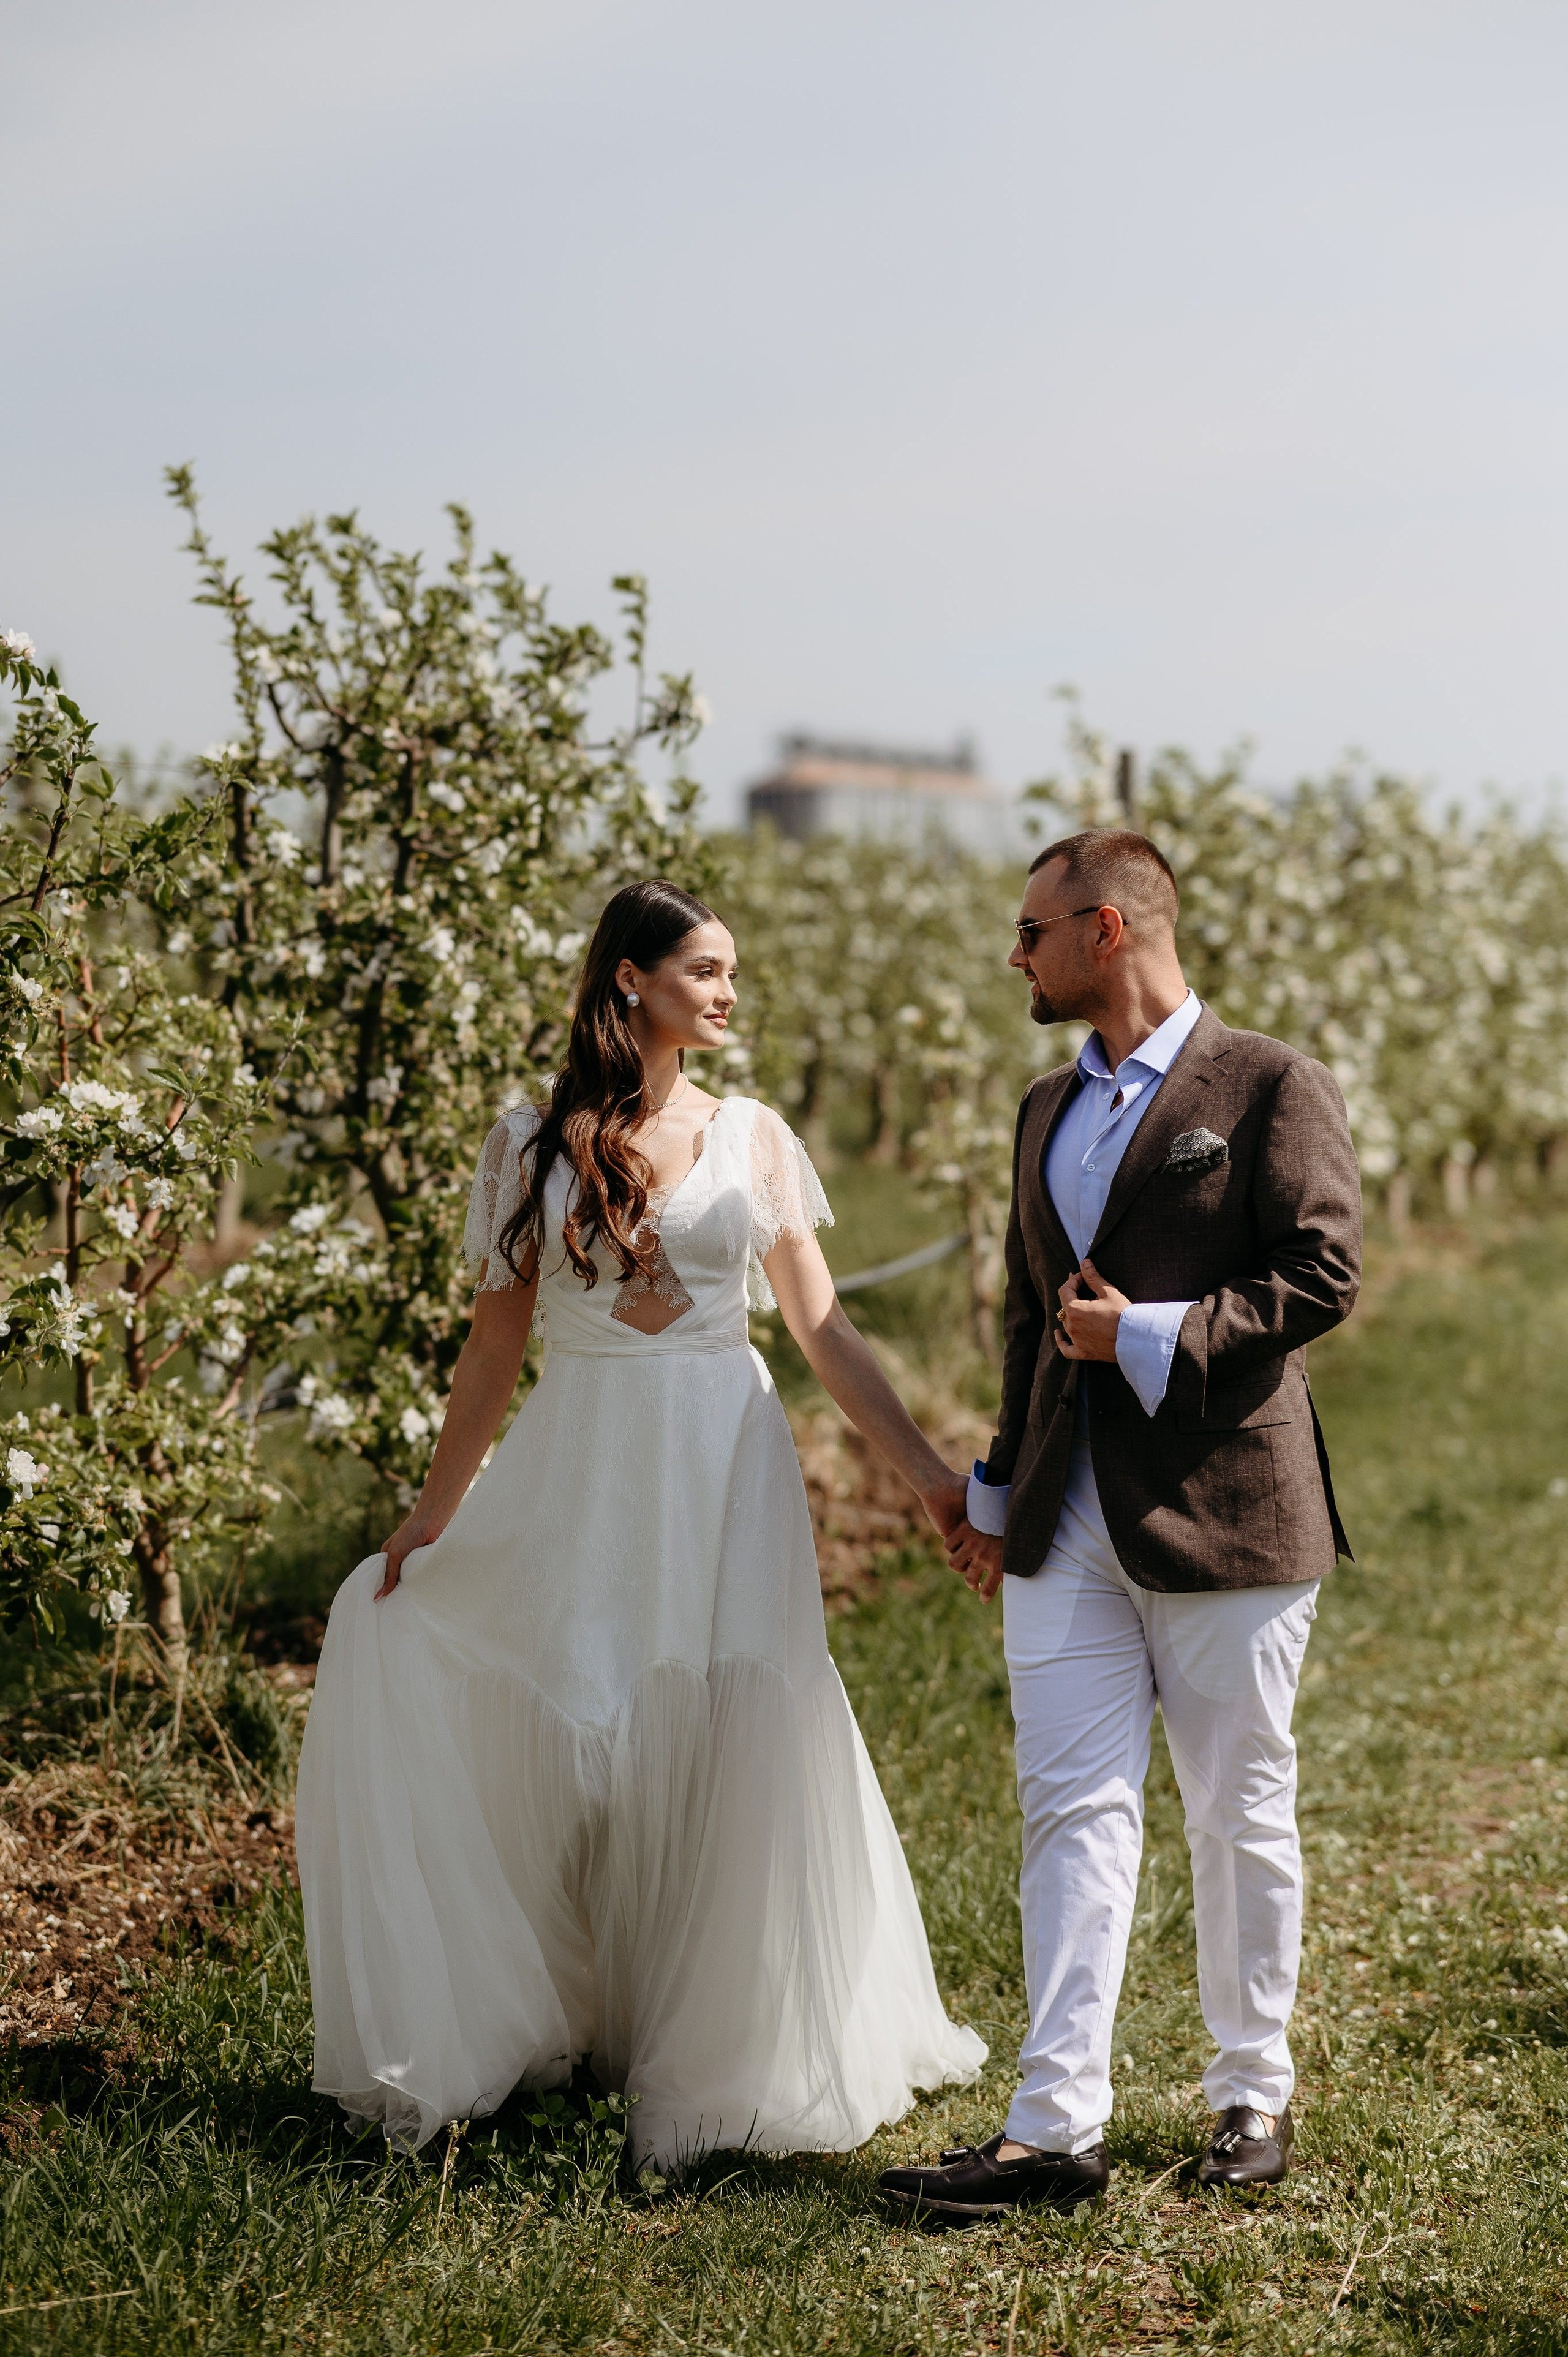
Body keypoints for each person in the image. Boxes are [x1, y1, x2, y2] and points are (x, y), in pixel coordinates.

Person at [296, 878, 985, 2174]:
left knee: (737, 1719)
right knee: (581, 1716)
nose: (727, 993)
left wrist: (928, 1477)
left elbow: (824, 1334)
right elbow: (491, 1352)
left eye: (731, 973)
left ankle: (729, 2055)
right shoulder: (530, 1143)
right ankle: (561, 2011)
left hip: (724, 1463)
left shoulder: (756, 1138)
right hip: (583, 1467)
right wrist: (432, 1515)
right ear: (630, 980)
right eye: (705, 971)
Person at [878, 829, 1360, 2225]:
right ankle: (1052, 2129)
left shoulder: (1267, 1082)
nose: (1011, 955)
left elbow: (1321, 1269)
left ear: (1103, 929)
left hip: (1228, 1510)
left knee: (1234, 1806)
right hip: (1064, 1523)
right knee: (1070, 1813)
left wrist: (1150, 1332)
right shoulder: (1040, 1107)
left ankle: (1247, 2092)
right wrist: (992, 1492)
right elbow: (1033, 1324)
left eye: (1028, 931)